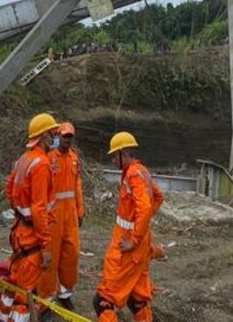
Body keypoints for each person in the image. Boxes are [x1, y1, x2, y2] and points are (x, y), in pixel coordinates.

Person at [93, 132, 163, 322]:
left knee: (103, 301)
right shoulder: (142, 171)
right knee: (138, 298)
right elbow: (158, 197)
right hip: (138, 243)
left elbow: (146, 206)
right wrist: (141, 224)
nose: (113, 160)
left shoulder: (133, 174)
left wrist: (134, 238)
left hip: (128, 244)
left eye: (115, 156)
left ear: (125, 153)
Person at [0, 113, 61, 322]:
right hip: (32, 236)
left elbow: (9, 187)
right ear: (44, 136)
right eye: (54, 132)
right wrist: (45, 245)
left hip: (19, 231)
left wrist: (18, 210)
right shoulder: (41, 164)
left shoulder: (23, 160)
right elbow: (39, 208)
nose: (56, 136)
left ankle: (3, 317)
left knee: (13, 283)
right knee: (25, 294)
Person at [39, 122, 85, 309]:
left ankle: (65, 293)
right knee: (51, 257)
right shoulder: (48, 158)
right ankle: (46, 300)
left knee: (71, 254)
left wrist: (80, 210)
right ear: (57, 136)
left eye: (69, 136)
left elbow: (77, 186)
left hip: (70, 216)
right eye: (64, 136)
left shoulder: (74, 158)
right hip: (53, 217)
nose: (67, 139)